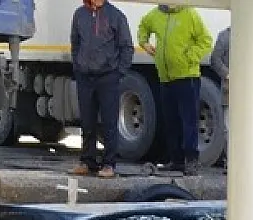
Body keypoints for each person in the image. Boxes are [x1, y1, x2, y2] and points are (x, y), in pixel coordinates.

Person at [138, 4, 213, 175]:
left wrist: (190, 57)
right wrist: (144, 42)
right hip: (165, 78)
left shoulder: (190, 14)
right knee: (171, 120)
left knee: (189, 120)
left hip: (187, 76)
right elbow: (143, 25)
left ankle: (191, 161)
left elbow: (206, 40)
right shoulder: (155, 14)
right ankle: (176, 160)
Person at [70, 0, 133, 178]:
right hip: (85, 77)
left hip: (108, 77)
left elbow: (127, 46)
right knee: (87, 121)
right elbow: (75, 43)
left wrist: (118, 73)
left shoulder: (116, 16)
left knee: (109, 122)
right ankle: (87, 161)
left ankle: (109, 164)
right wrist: (78, 67)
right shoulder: (79, 14)